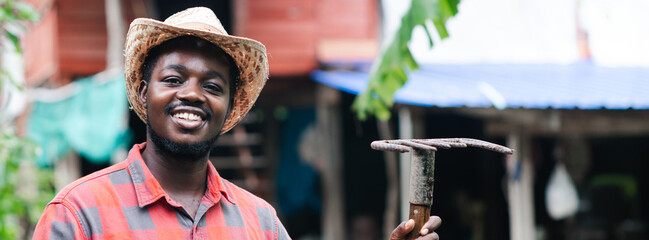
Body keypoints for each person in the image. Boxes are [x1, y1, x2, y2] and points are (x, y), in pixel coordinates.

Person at [32, 7, 441, 240]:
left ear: (229, 108)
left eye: (212, 85)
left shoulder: (260, 222)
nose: (192, 94)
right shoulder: (79, 212)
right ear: (142, 93)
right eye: (173, 79)